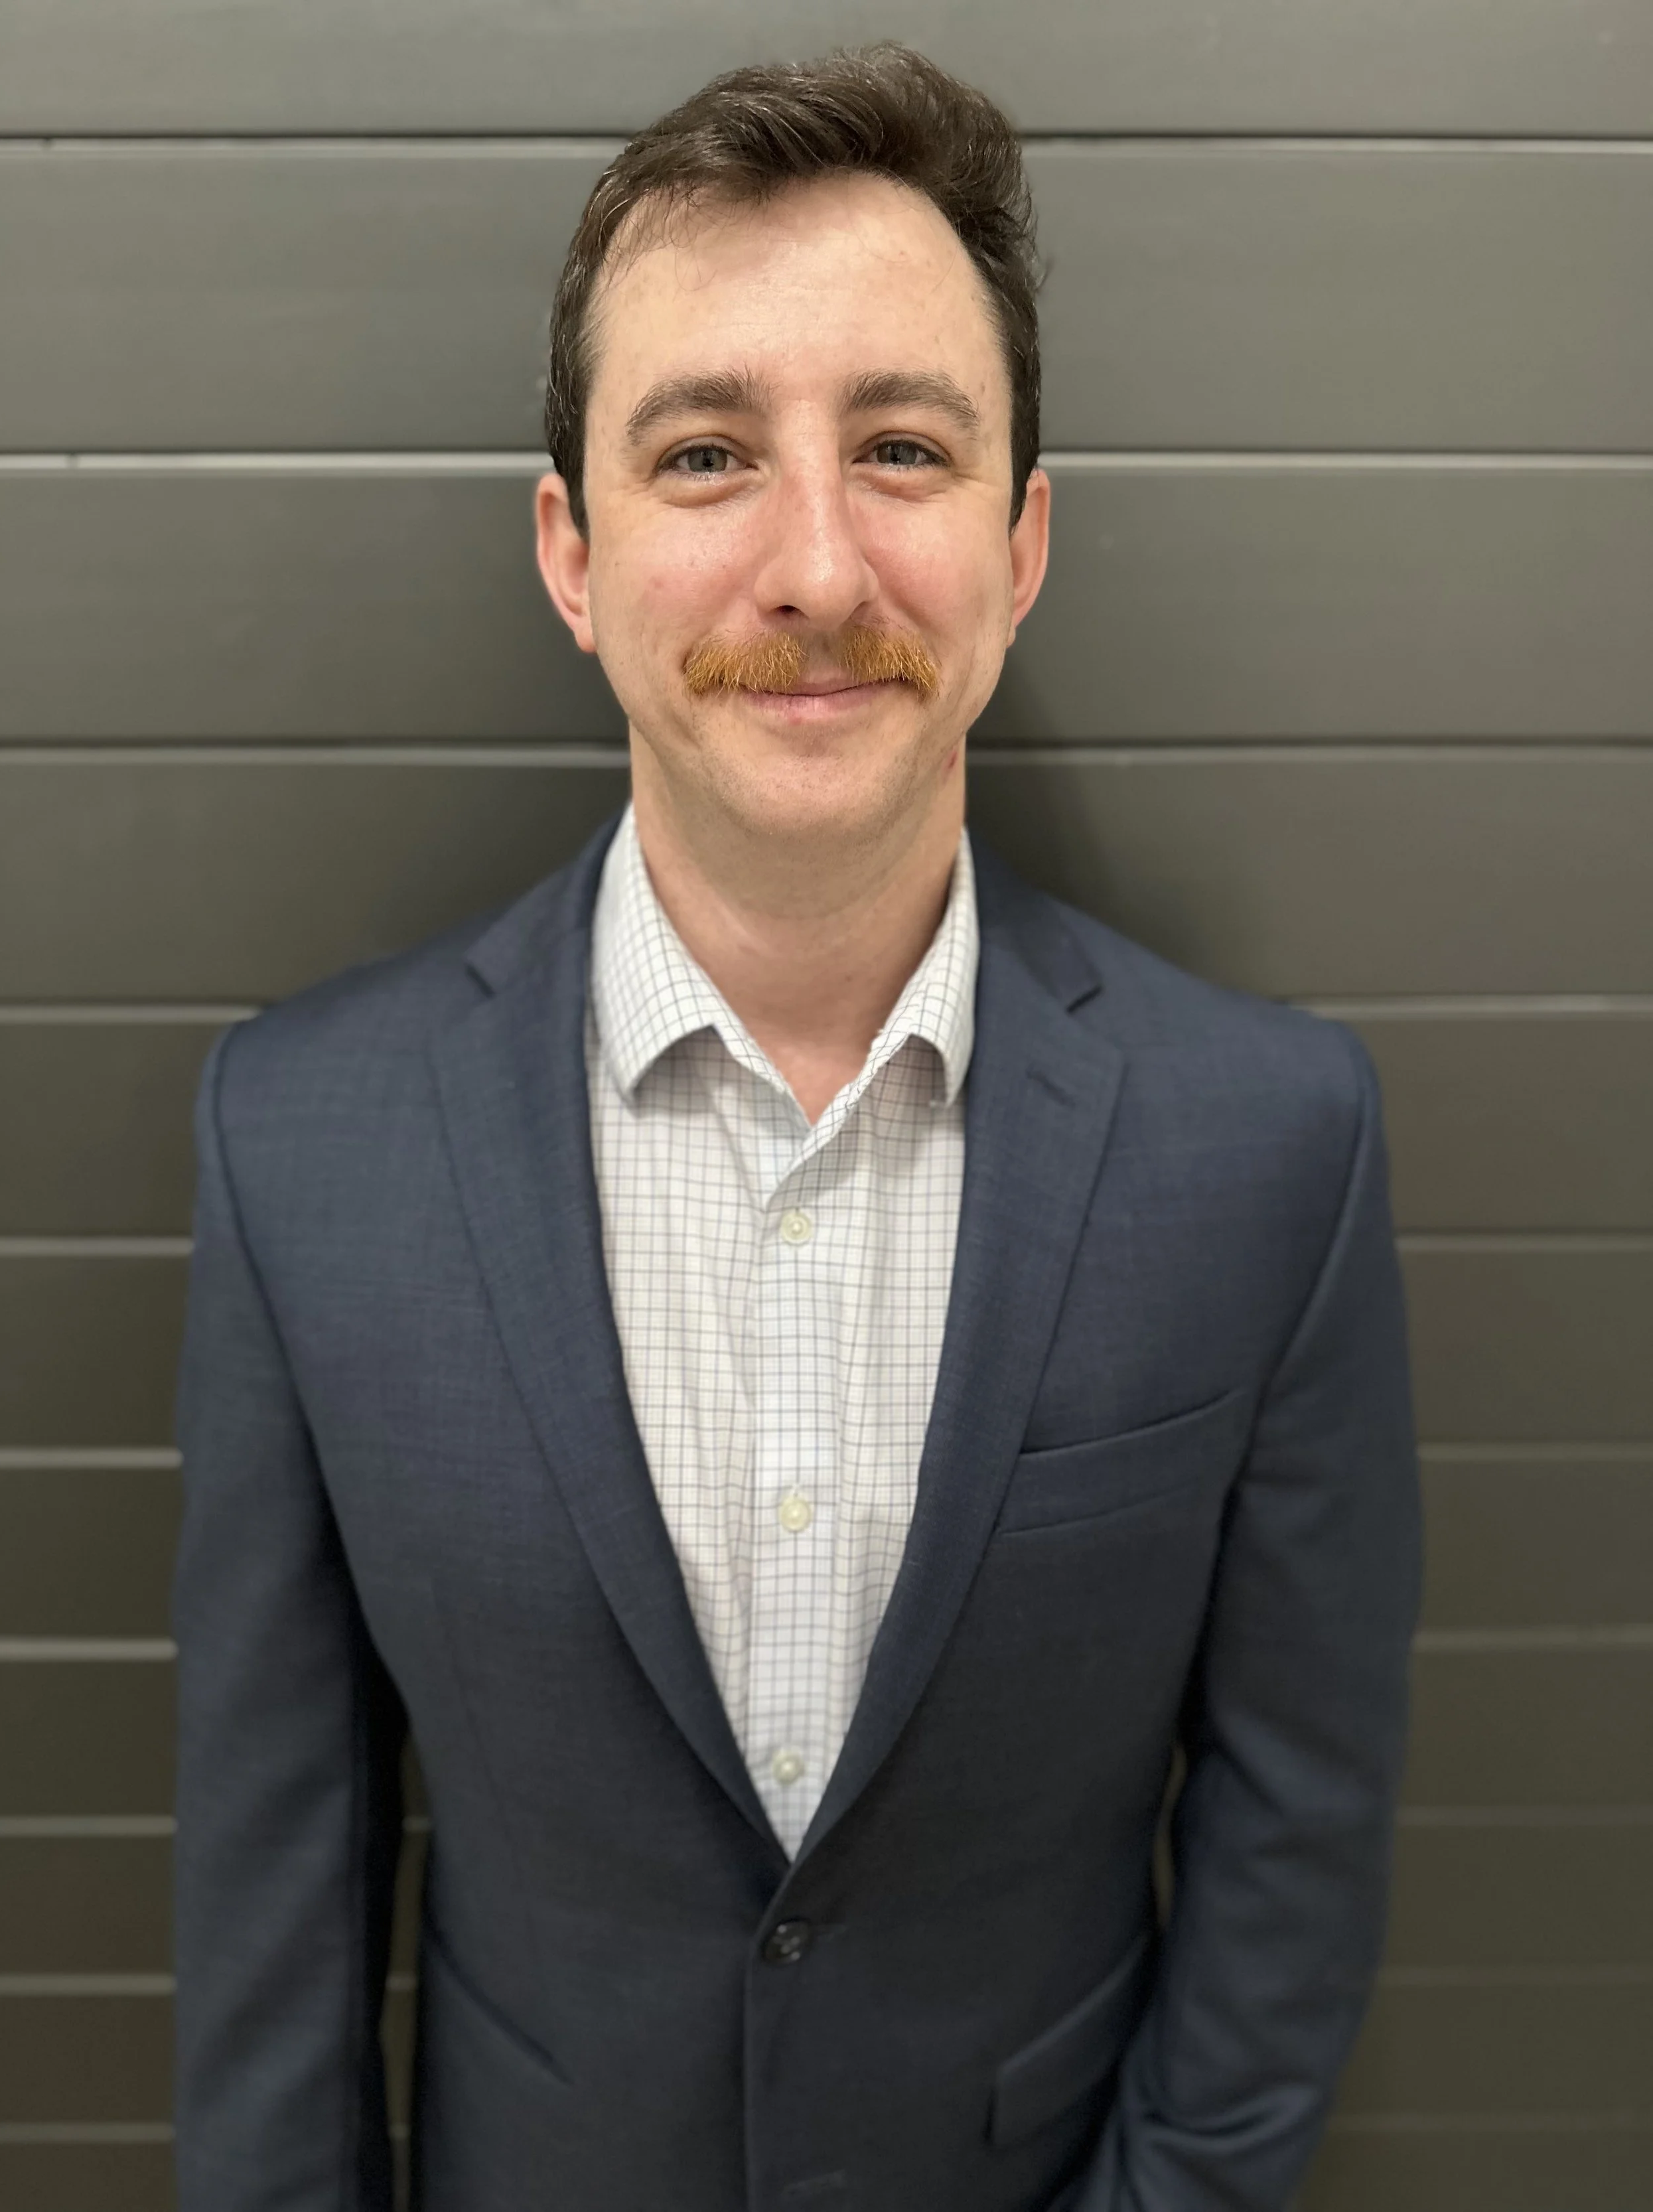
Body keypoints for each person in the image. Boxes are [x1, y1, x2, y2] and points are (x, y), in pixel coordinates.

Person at [172, 44, 1420, 2212]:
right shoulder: (302, 1149)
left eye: (903, 447)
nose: (817, 563)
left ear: (1021, 543)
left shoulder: (1271, 1148)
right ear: (572, 554)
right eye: (705, 454)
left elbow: (1291, 1847)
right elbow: (273, 1922)